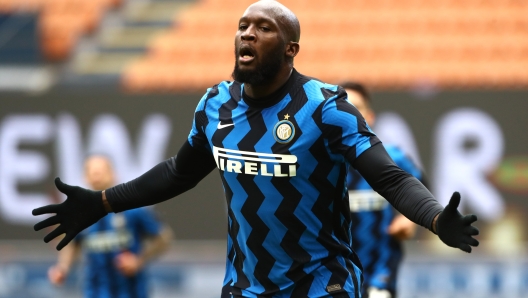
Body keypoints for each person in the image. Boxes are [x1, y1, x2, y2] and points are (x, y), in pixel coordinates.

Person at [32, 1, 479, 297]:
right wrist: (104, 201)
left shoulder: (326, 108)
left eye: (263, 28)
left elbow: (391, 177)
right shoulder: (215, 105)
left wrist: (436, 217)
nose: (247, 34)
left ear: (290, 49)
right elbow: (176, 172)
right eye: (242, 26)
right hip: (244, 286)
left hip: (323, 285)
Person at [47, 155, 173, 298]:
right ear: (85, 177)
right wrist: (63, 268)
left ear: (113, 173)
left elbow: (163, 238)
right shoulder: (80, 212)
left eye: (100, 171)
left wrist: (138, 260)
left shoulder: (133, 207)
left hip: (131, 292)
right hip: (95, 291)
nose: (96, 175)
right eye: (91, 171)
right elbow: (72, 244)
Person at [341, 82, 424, 298]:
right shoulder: (318, 161)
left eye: (357, 107)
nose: (351, 113)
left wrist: (408, 219)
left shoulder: (392, 157)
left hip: (380, 272)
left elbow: (422, 186)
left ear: (370, 116)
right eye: (344, 107)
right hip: (333, 275)